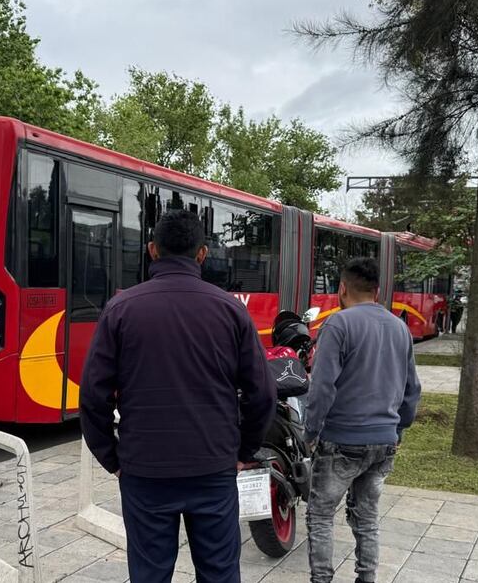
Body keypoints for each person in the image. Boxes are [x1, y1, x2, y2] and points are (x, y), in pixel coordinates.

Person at [80, 210, 275, 583]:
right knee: (219, 573)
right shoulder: (231, 309)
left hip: (144, 470)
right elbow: (261, 393)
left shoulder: (120, 309)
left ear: (153, 250)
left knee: (150, 573)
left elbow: (93, 396)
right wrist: (242, 452)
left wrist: (113, 458)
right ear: (201, 254)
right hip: (213, 468)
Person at [304, 257, 422, 583]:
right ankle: (366, 578)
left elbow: (322, 387)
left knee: (320, 515)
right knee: (367, 517)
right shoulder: (400, 327)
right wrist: (398, 429)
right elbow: (413, 390)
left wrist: (311, 431)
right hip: (384, 441)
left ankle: (322, 580)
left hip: (342, 439)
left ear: (342, 288)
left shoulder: (338, 325)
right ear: (378, 291)